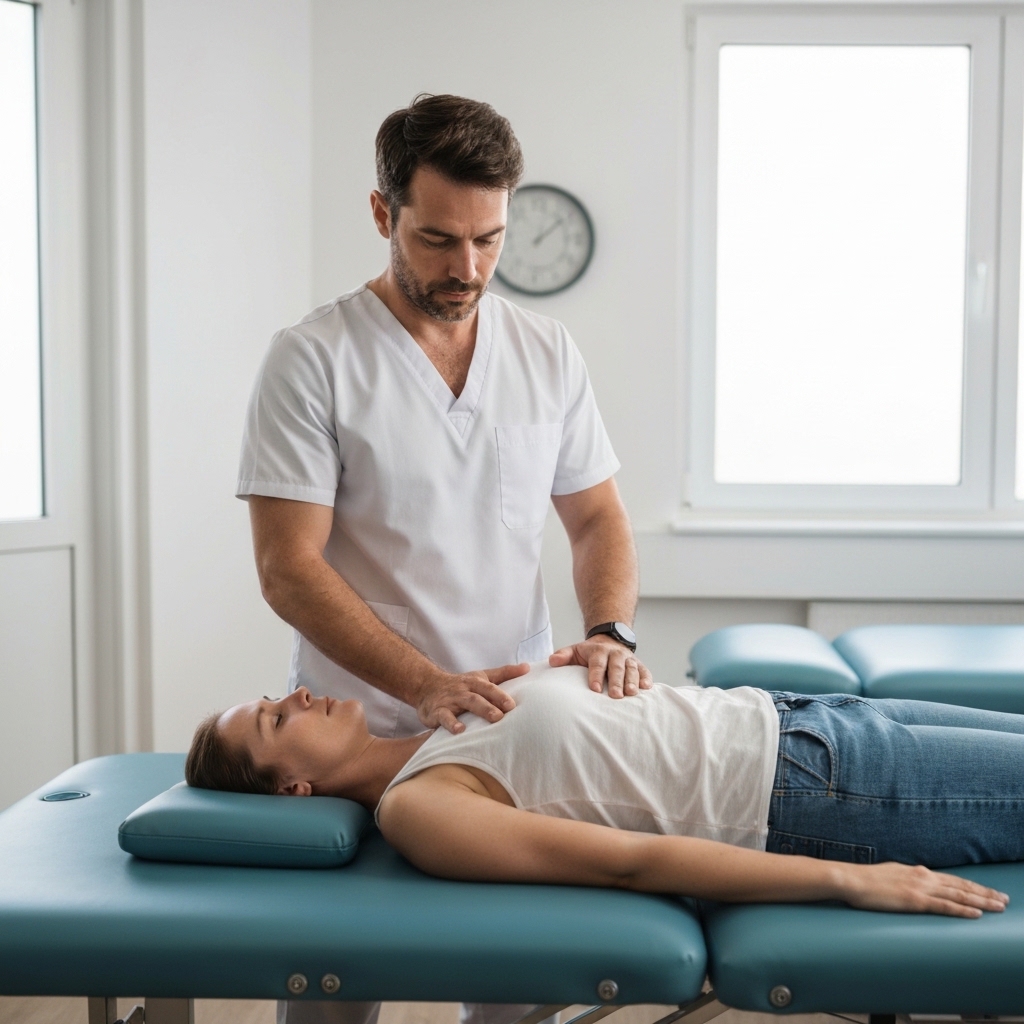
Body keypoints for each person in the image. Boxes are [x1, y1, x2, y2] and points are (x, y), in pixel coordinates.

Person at [238, 93, 649, 1024]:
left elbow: (597, 519)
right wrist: (423, 684)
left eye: (489, 240)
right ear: (383, 214)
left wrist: (609, 629)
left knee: (511, 993)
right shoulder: (313, 360)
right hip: (362, 726)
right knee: (332, 989)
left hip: (512, 727)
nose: (467, 268)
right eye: (437, 239)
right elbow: (288, 568)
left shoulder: (546, 351)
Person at [187, 663, 1017, 921]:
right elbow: (630, 862)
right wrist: (850, 880)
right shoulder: (420, 806)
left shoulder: (443, 709)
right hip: (818, 790)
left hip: (801, 715)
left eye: (278, 696)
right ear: (295, 788)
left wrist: (596, 656)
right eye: (273, 720)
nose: (294, 697)